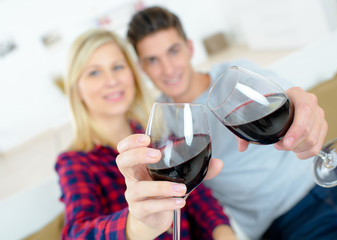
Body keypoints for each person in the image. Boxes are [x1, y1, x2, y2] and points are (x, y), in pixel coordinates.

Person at [116, 6, 337, 240]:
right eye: (153, 60)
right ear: (143, 69)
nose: (168, 68)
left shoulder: (235, 75)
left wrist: (304, 109)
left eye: (173, 51)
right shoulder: (160, 125)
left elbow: (292, 100)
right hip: (288, 220)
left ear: (190, 48)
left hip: (336, 174)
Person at [55, 28, 238, 239]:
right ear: (77, 89)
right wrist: (137, 227)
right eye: (94, 72)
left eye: (117, 67)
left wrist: (224, 233)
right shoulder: (74, 162)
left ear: (132, 74)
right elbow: (76, 233)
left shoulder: (156, 134)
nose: (112, 80)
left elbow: (199, 200)